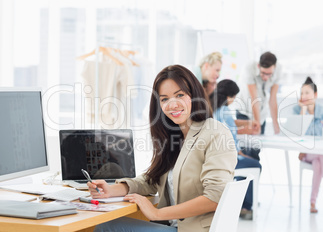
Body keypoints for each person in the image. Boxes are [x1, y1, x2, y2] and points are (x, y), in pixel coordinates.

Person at [88, 65, 237, 232]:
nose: (172, 104)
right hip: (174, 226)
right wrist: (111, 190)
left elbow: (216, 197)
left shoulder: (215, 132)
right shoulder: (175, 137)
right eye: (164, 99)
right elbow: (152, 180)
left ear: (194, 96)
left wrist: (157, 213)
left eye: (180, 95)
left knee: (108, 227)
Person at [209, 79, 261, 219]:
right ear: (228, 96)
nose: (234, 100)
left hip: (213, 158)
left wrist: (247, 123)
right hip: (226, 159)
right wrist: (240, 152)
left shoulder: (210, 107)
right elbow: (231, 137)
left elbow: (229, 126)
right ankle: (246, 206)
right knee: (255, 164)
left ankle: (242, 199)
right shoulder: (225, 110)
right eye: (234, 97)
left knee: (249, 157)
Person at [294, 77, 323, 213]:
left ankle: (312, 202)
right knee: (321, 156)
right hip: (309, 152)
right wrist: (303, 111)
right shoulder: (298, 111)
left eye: (307, 93)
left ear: (315, 95)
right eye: (302, 93)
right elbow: (298, 135)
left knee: (319, 162)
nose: (304, 96)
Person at [233, 51, 282, 160]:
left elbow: (273, 99)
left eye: (269, 74)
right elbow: (254, 99)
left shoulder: (278, 69)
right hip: (244, 111)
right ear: (259, 66)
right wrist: (257, 124)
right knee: (246, 150)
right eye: (263, 73)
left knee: (256, 150)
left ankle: (253, 174)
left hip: (262, 114)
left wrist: (276, 126)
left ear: (274, 67)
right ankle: (245, 175)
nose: (266, 77)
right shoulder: (249, 68)